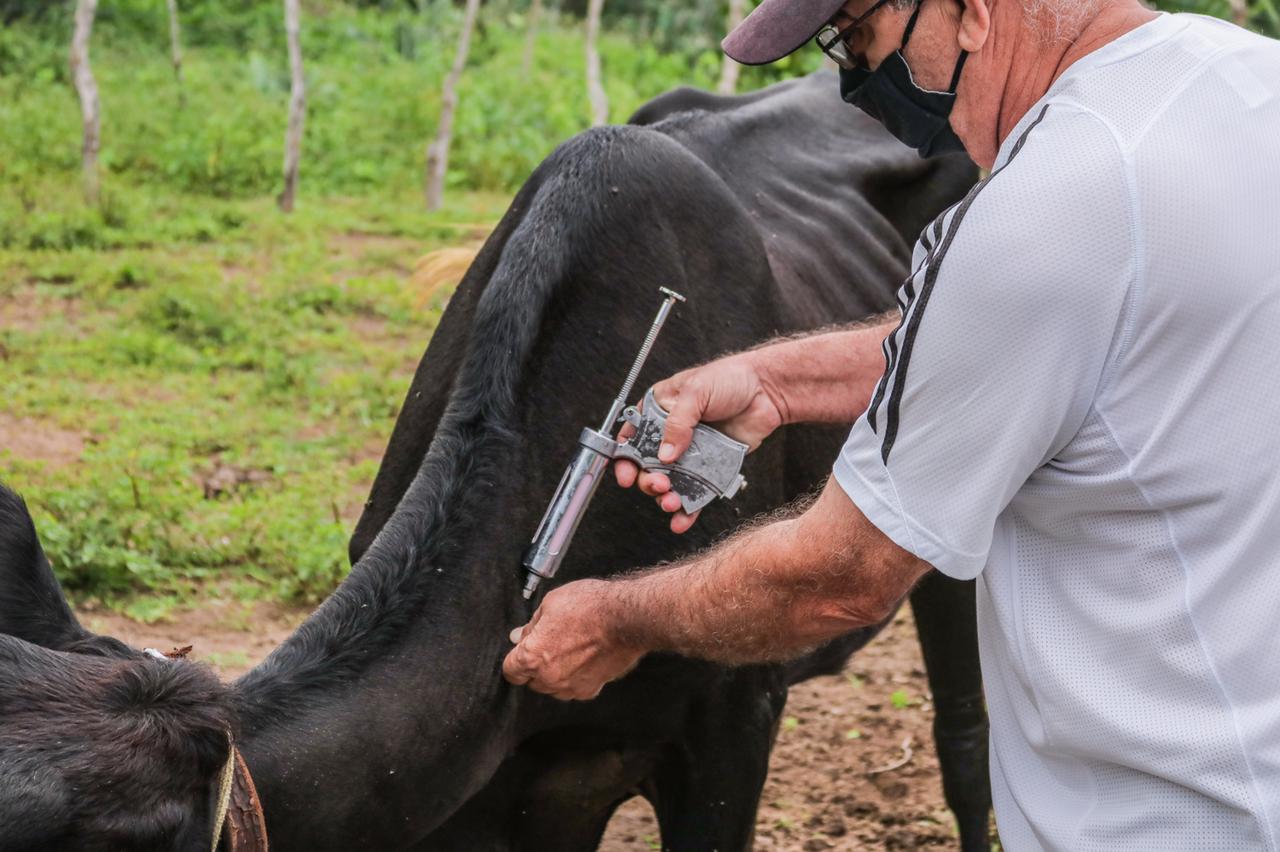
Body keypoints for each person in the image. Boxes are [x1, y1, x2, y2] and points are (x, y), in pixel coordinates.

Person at [504, 0, 1280, 846]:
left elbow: (838, 578)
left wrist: (615, 621)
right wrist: (775, 379)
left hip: (1165, 816)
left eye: (861, 42)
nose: (857, 86)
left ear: (971, 13)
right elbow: (1076, 324)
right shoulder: (1242, 80)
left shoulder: (1046, 207)